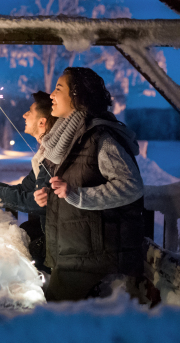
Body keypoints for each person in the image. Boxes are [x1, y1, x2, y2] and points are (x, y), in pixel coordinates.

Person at [33, 67, 145, 302]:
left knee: (51, 320)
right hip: (77, 256)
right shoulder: (69, 140)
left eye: (58, 89)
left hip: (98, 262)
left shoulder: (100, 138)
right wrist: (50, 195)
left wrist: (75, 194)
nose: (51, 95)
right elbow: (75, 183)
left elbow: (131, 185)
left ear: (77, 96)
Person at [0, 91, 57, 270]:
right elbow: (26, 190)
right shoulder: (43, 156)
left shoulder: (53, 157)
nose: (24, 115)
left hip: (55, 243)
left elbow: (40, 203)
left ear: (42, 122)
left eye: (30, 111)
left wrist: (0, 194)